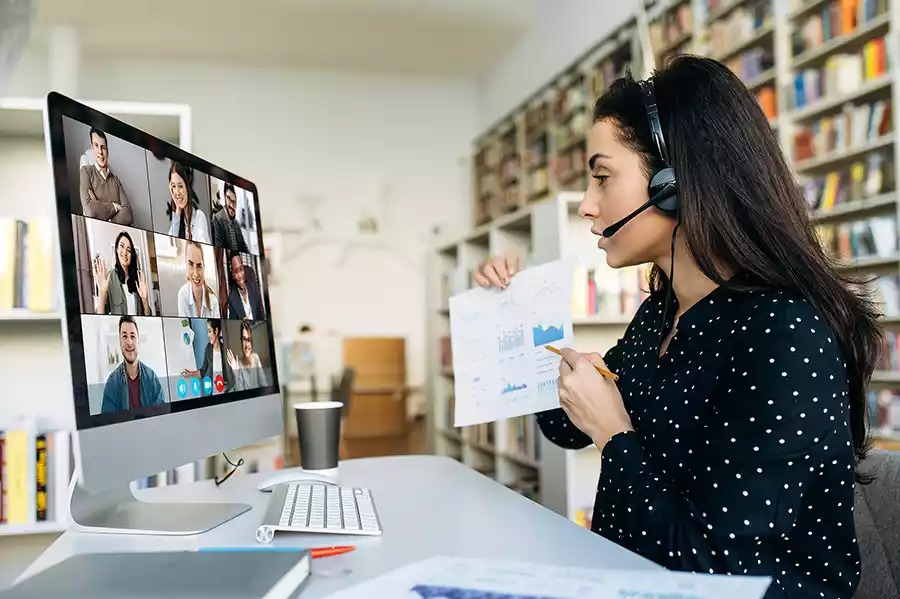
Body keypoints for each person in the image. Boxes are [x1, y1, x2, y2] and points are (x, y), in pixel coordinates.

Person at [475, 56, 880, 599]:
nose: (589, 208)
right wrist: (515, 313)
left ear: (672, 184)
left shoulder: (785, 334)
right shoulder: (662, 313)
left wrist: (613, 432)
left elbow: (716, 569)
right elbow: (564, 427)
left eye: (602, 178)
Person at [101, 316, 167, 413]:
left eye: (132, 336)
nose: (129, 342)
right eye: (124, 336)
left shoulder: (151, 377)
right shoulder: (112, 383)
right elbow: (108, 424)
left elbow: (161, 416)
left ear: (138, 340)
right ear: (120, 341)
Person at [79, 128, 133, 224]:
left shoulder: (115, 180)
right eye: (96, 146)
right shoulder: (86, 172)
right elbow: (89, 210)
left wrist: (100, 208)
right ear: (92, 148)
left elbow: (128, 215)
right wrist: (115, 207)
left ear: (107, 151)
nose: (100, 152)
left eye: (103, 147)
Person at [93, 230, 150, 315]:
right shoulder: (109, 278)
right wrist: (102, 293)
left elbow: (148, 317)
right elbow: (100, 318)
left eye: (129, 250)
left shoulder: (137, 281)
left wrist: (145, 300)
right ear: (116, 249)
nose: (125, 252)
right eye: (122, 246)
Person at [181, 318, 232, 393]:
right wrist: (190, 374)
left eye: (209, 331)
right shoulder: (208, 349)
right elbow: (203, 371)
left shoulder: (225, 350)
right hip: (213, 393)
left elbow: (231, 375)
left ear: (216, 331)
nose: (208, 335)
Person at [166, 161, 210, 243]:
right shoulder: (177, 220)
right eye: (173, 187)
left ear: (187, 187)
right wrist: (177, 211)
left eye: (180, 186)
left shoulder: (199, 216)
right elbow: (170, 245)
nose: (177, 192)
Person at [177, 241, 220, 318]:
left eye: (199, 265)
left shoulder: (213, 300)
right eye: (191, 264)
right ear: (186, 265)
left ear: (204, 267)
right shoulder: (183, 295)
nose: (196, 274)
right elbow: (183, 327)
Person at [227, 321, 268, 391]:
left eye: (248, 339)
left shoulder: (255, 357)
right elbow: (240, 393)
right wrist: (236, 372)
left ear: (251, 342)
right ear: (241, 341)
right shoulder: (238, 365)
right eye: (244, 339)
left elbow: (264, 384)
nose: (246, 345)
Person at [212, 183, 250, 253]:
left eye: (234, 202)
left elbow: (243, 245)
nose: (232, 205)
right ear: (224, 197)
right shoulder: (218, 218)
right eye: (229, 199)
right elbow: (219, 247)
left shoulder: (236, 223)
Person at [227, 251, 264, 320]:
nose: (240, 275)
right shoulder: (232, 300)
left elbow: (260, 315)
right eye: (236, 272)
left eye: (241, 269)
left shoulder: (254, 288)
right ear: (233, 274)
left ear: (243, 268)